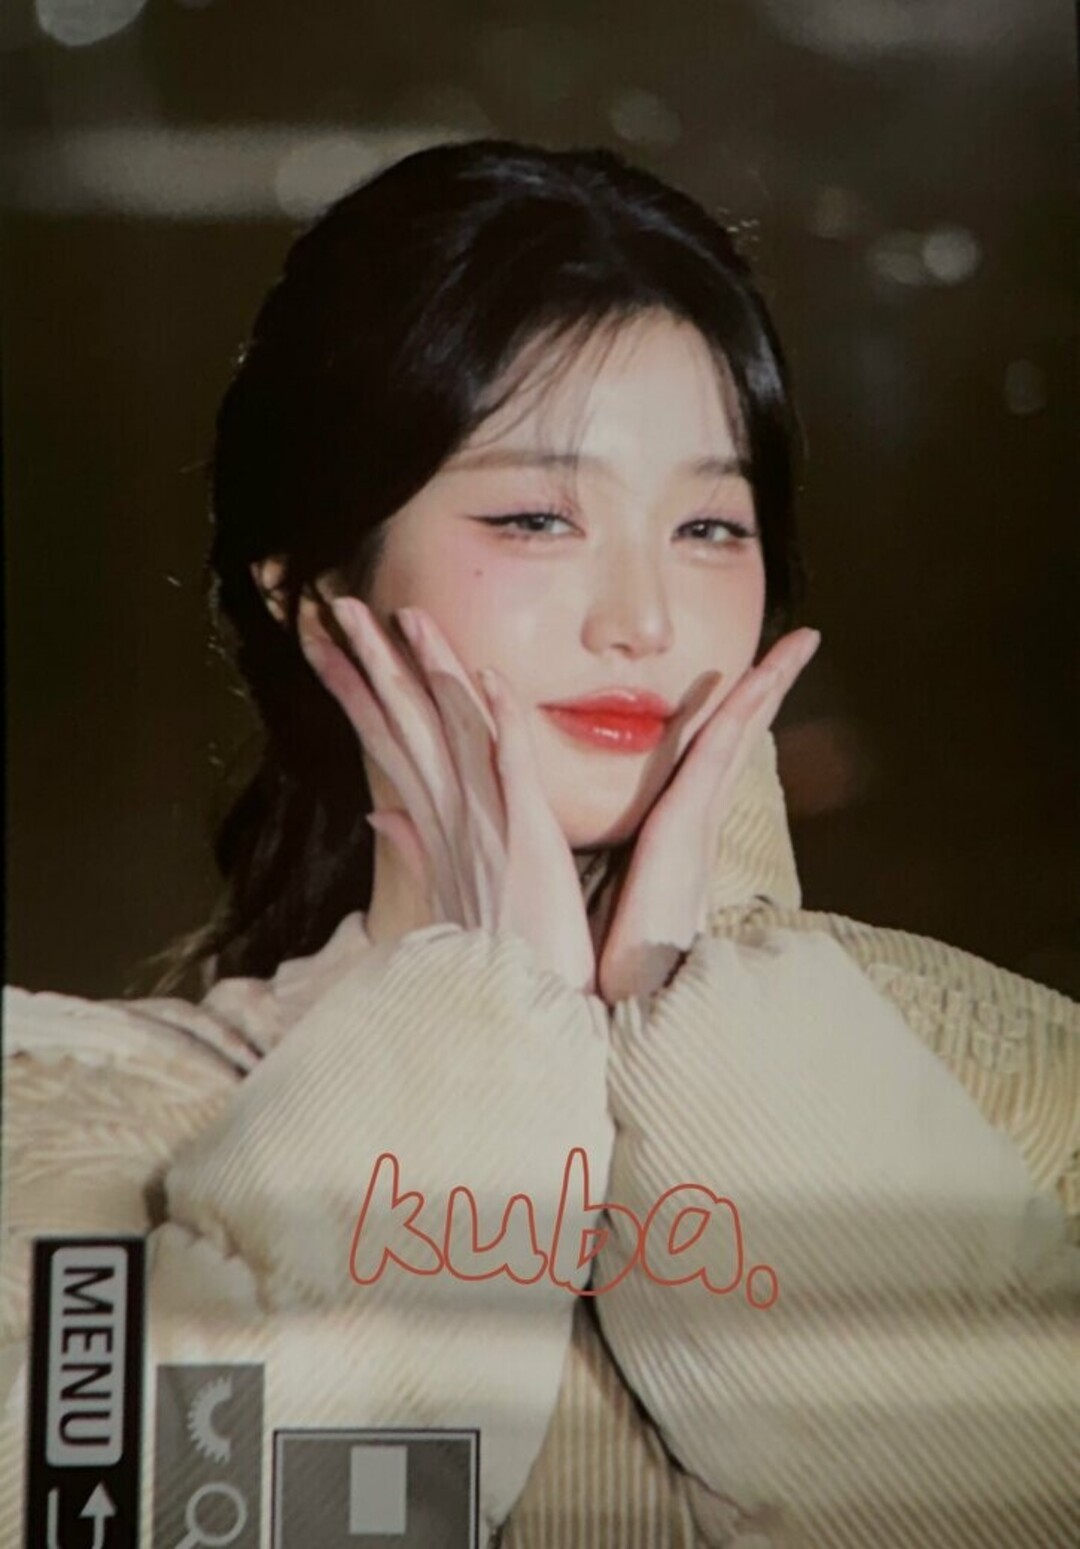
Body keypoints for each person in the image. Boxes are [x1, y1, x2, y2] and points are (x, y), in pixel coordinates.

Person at [3, 139, 1077, 1548]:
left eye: (710, 524)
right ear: (313, 591)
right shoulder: (65, 1113)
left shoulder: (1018, 1076)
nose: (642, 617)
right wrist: (475, 1021)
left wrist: (714, 1039)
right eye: (535, 515)